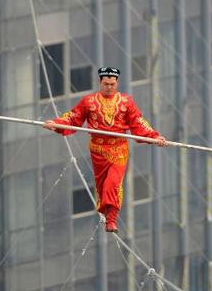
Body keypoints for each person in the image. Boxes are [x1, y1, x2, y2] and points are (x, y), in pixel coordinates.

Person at [43, 66, 168, 233]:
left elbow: (138, 122)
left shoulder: (126, 102)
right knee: (102, 186)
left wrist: (154, 137)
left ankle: (112, 219)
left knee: (113, 182)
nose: (109, 87)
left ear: (117, 83)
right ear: (100, 82)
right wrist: (56, 124)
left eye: (112, 84)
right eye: (106, 84)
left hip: (119, 149)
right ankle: (106, 212)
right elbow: (73, 117)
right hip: (98, 149)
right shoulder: (88, 102)